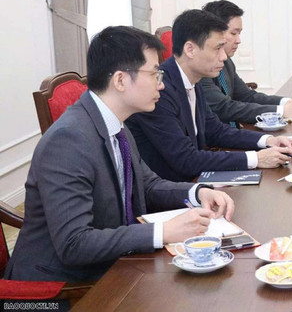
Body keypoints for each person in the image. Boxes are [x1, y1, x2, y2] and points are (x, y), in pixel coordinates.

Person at [5, 26, 234, 282]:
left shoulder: (115, 122)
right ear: (121, 80)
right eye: (155, 74)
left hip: (113, 264)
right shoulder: (68, 141)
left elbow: (146, 185)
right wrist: (163, 232)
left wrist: (198, 192)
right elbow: (74, 243)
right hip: (59, 286)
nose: (162, 84)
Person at [126, 10, 292, 182]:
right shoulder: (160, 91)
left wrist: (268, 140)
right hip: (170, 193)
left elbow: (215, 130)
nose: (223, 57)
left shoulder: (194, 79)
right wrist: (256, 159)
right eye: (217, 49)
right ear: (190, 49)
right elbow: (186, 160)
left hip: (195, 183)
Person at [199, 0, 292, 125]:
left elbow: (247, 96)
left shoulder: (227, 62)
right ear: (216, 32)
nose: (238, 40)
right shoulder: (201, 68)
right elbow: (224, 107)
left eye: (239, 33)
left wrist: (287, 103)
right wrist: (281, 111)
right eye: (233, 33)